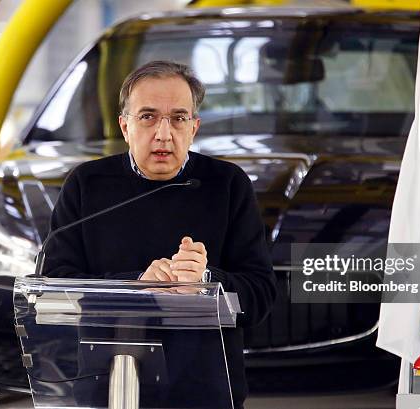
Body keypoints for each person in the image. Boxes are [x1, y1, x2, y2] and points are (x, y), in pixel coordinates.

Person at [44, 60, 277, 408]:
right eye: (148, 117)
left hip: (202, 390)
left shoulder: (228, 184)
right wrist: (137, 284)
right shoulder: (86, 184)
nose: (164, 134)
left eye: (179, 118)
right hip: (107, 386)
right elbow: (55, 291)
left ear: (194, 127)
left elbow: (260, 297)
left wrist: (205, 280)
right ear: (125, 126)